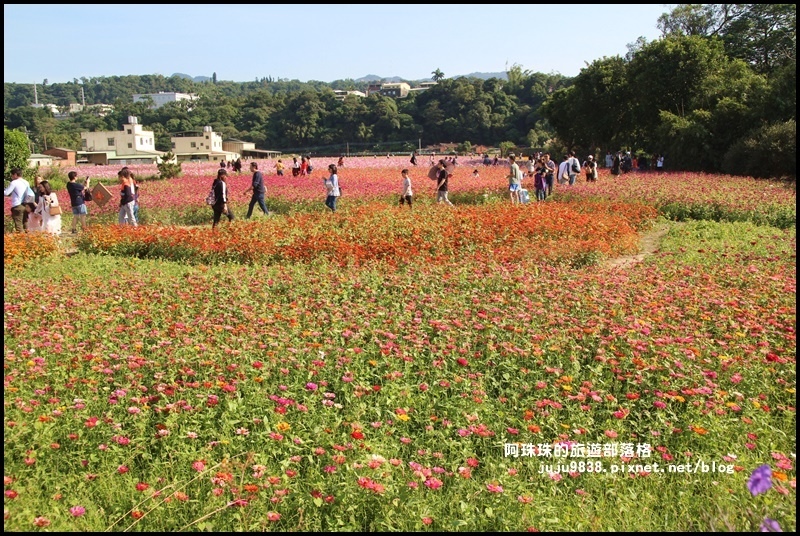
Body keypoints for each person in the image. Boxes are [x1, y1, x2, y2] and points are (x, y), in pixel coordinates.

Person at [4, 167, 31, 233]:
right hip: (25, 205)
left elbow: (6, 193)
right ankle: (29, 238)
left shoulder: (14, 182)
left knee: (18, 225)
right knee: (25, 223)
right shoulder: (26, 182)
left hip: (17, 205)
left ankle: (21, 241)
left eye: (12, 175)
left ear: (15, 174)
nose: (11, 176)